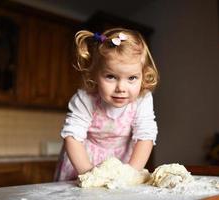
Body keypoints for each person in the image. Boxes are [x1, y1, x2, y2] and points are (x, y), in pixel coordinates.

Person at [55, 28, 159, 181]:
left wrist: (130, 174)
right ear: (95, 74)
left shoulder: (142, 99)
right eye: (111, 76)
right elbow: (72, 136)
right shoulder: (85, 98)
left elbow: (145, 136)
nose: (121, 88)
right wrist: (89, 174)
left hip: (123, 163)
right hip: (83, 162)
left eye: (132, 78)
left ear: (143, 76)